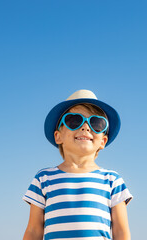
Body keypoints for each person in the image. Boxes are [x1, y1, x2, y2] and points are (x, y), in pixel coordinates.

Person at [22, 89, 133, 240]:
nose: (86, 127)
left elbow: (121, 232)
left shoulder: (112, 180)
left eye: (96, 123)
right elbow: (34, 231)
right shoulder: (43, 178)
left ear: (103, 141)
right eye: (74, 120)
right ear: (58, 136)